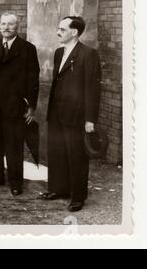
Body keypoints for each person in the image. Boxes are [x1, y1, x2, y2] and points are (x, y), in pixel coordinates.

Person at [40, 16, 102, 212]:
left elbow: (92, 89)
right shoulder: (59, 52)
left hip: (76, 115)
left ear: (74, 32)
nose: (58, 32)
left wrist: (90, 119)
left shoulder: (88, 54)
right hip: (57, 113)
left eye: (62, 29)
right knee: (57, 152)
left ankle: (78, 197)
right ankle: (58, 189)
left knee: (76, 156)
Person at [0, 12, 40, 196]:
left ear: (17, 27)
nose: (6, 27)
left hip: (14, 106)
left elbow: (33, 79)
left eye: (10, 24)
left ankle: (15, 182)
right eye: (3, 24)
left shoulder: (27, 48)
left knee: (14, 145)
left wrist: (32, 106)